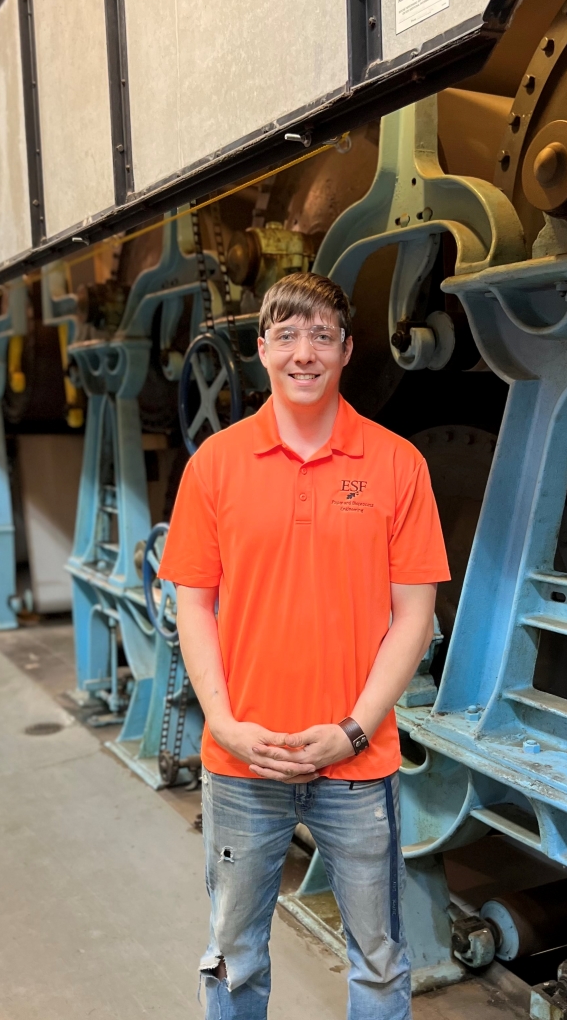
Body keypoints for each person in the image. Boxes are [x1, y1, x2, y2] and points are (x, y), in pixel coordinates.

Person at [158, 271, 450, 1020]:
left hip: (356, 761)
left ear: (348, 350)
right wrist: (221, 723)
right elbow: (193, 603)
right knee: (233, 957)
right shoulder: (214, 467)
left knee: (380, 963)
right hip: (242, 759)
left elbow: (414, 615)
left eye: (322, 334)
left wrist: (352, 727)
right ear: (260, 349)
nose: (304, 352)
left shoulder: (396, 465)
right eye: (286, 334)